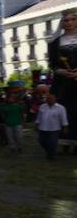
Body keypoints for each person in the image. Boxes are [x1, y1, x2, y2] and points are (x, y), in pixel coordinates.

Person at [49, 9, 77, 145]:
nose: (70, 22)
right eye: (66, 20)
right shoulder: (55, 42)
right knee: (65, 110)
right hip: (63, 83)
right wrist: (62, 72)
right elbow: (52, 64)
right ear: (62, 23)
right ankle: (66, 142)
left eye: (73, 19)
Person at [36, 92, 68, 160]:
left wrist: (65, 127)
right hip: (42, 128)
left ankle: (51, 155)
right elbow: (39, 116)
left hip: (55, 128)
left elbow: (63, 118)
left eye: (51, 98)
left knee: (53, 142)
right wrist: (37, 123)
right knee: (41, 141)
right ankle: (50, 152)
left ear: (55, 99)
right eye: (47, 98)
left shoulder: (61, 108)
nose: (49, 100)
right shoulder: (42, 106)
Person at [0, 89, 25, 154]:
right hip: (8, 124)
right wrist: (4, 120)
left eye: (12, 98)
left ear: (14, 99)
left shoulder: (18, 106)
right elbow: (2, 114)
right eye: (9, 98)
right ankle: (12, 148)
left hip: (17, 123)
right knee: (10, 137)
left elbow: (22, 114)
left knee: (19, 137)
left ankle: (19, 147)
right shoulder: (4, 107)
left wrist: (23, 121)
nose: (10, 100)